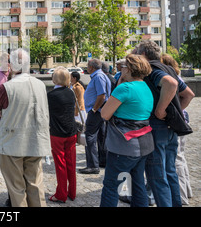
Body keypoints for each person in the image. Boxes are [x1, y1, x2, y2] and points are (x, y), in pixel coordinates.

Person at [135, 40, 194, 207]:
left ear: (144, 54)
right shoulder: (167, 68)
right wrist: (173, 115)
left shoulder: (152, 69)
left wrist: (161, 110)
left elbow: (171, 84)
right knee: (170, 173)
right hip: (169, 130)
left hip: (156, 129)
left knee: (157, 176)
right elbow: (188, 94)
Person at [0, 49, 51, 207]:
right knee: (35, 185)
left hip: (13, 143)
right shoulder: (40, 85)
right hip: (36, 140)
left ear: (11, 66)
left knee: (17, 189)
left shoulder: (6, 87)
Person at [100, 54, 155, 207]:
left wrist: (121, 82)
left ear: (129, 69)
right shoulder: (145, 86)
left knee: (111, 185)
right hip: (144, 143)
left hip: (124, 145)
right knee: (138, 184)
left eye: (123, 66)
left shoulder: (125, 88)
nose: (121, 68)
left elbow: (105, 114)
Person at [161, 53, 193, 205]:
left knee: (176, 161)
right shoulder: (176, 77)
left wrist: (176, 112)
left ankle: (181, 197)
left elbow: (188, 95)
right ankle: (186, 190)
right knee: (180, 158)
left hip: (177, 121)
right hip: (181, 119)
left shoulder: (171, 79)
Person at [47, 67, 78, 203]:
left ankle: (61, 194)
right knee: (71, 163)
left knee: (60, 165)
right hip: (71, 131)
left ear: (54, 79)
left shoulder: (51, 96)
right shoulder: (71, 93)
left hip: (57, 133)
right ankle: (72, 192)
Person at [79, 58, 111, 174]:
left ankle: (93, 165)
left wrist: (94, 109)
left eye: (88, 66)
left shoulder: (98, 77)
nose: (87, 68)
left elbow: (102, 95)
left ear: (91, 67)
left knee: (90, 137)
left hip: (96, 112)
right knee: (100, 136)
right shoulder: (99, 76)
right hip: (98, 111)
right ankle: (101, 161)